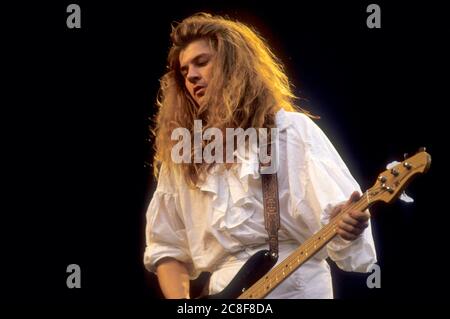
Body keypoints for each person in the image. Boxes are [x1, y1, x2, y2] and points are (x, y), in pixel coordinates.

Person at [143, 13, 377, 299]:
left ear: (233, 66)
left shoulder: (289, 131)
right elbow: (167, 247)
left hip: (295, 288)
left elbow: (341, 226)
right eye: (184, 70)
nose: (191, 75)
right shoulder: (184, 155)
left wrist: (347, 225)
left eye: (202, 62)